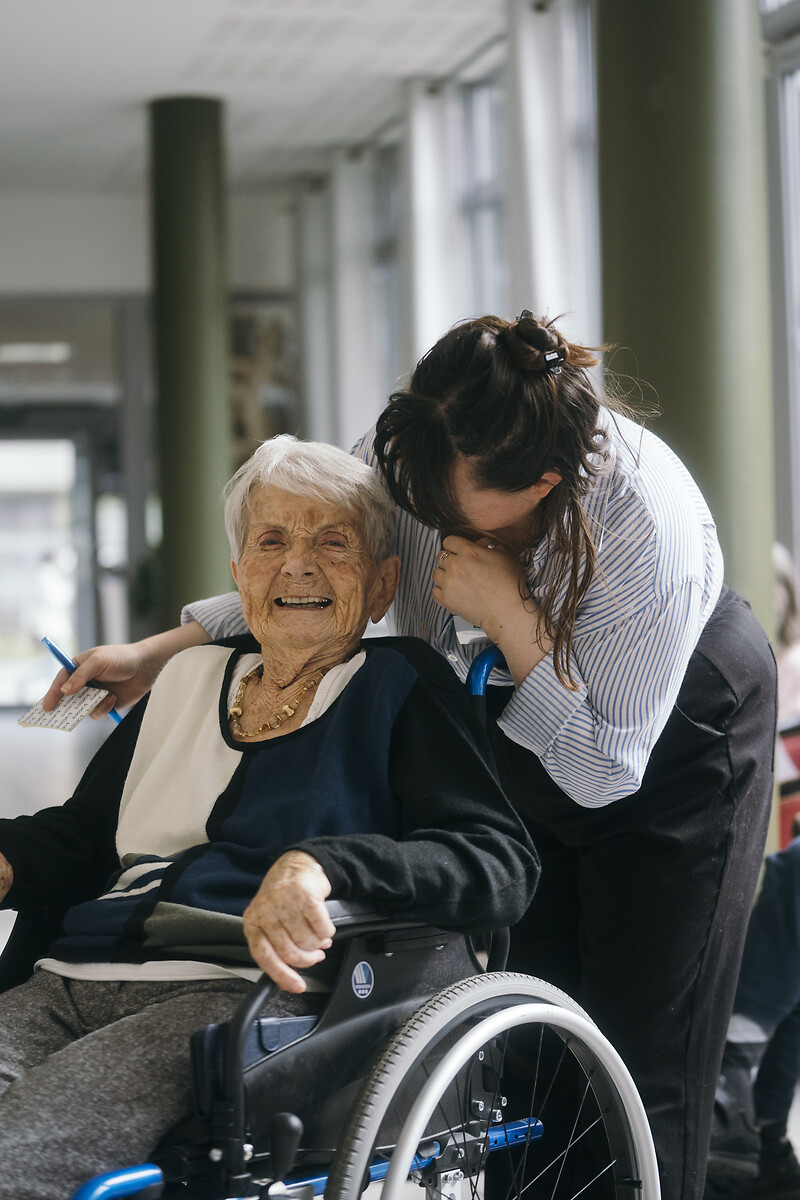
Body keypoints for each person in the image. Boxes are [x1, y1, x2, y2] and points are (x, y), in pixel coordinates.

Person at [44, 312, 778, 1200]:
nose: (423, 524)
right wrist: (160, 653)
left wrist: (509, 616)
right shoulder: (416, 452)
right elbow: (319, 571)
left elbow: (597, 775)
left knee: (643, 1040)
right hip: (516, 705)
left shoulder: (643, 526)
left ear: (543, 485)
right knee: (521, 1025)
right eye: (416, 505)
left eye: (447, 516)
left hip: (670, 731)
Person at [0, 436, 539, 1198]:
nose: (298, 565)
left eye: (334, 543)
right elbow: (85, 838)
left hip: (236, 996)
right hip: (72, 976)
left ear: (382, 585)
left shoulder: (399, 684)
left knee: (14, 1159)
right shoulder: (185, 680)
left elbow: (498, 862)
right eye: (272, 541)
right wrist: (9, 860)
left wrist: (323, 866)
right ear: (239, 574)